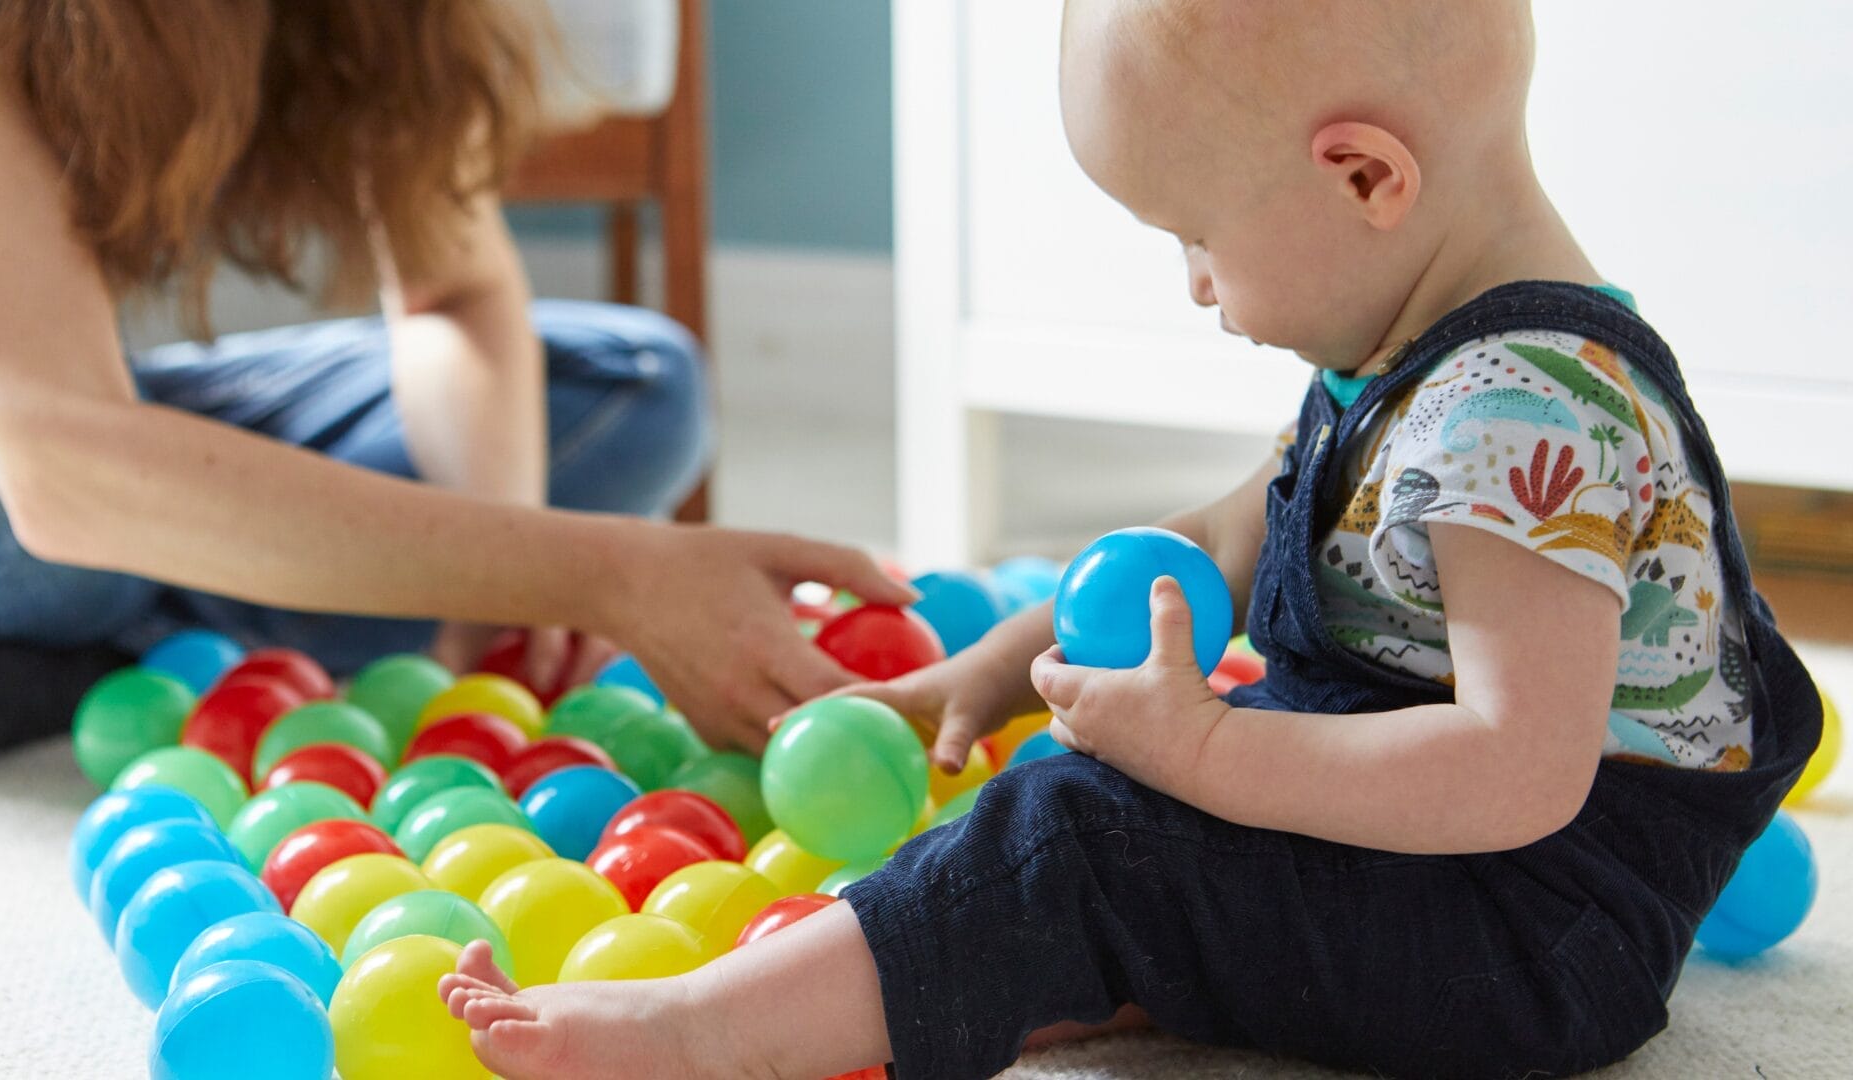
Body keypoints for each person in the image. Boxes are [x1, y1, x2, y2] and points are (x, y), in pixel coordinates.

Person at [436, 1, 1824, 1077]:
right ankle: (1044, 959)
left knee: (1083, 833)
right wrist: (991, 663)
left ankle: (701, 1036)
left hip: (1529, 934)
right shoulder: (1438, 352)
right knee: (1136, 792)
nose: (1197, 286)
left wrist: (1215, 753)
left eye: (1196, 235)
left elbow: (1513, 775)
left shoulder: (1519, 420)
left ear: (1362, 177)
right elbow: (1236, 531)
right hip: (1473, 879)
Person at [0, 0, 912, 773]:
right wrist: (603, 572)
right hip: (11, 440)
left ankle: (81, 629)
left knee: (633, 388)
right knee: (65, 534)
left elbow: (457, 296)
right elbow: (58, 455)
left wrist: (498, 574)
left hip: (81, 402)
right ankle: (109, 613)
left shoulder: (385, 20)